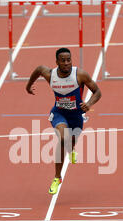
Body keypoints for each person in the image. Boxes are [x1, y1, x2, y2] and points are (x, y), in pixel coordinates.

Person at [26, 47, 101, 194]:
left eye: (69, 60)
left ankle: (71, 149)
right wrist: (28, 85)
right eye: (63, 60)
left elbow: (98, 91)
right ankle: (57, 177)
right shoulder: (50, 74)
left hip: (76, 116)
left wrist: (89, 103)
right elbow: (39, 69)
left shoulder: (80, 75)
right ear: (57, 62)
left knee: (70, 142)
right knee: (62, 138)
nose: (66, 63)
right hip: (59, 113)